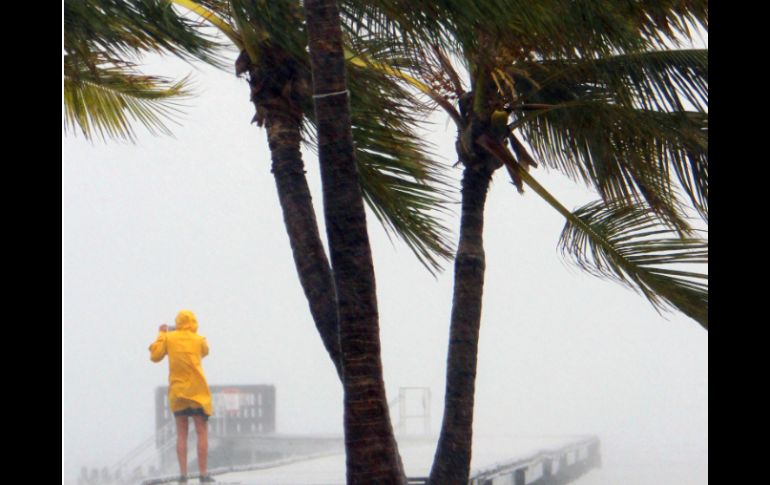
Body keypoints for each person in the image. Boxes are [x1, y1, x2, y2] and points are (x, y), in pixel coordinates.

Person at [150, 310, 215, 483]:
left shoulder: (169, 338)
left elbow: (155, 356)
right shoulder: (199, 340)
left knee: (181, 434)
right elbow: (205, 351)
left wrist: (163, 334)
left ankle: (183, 476)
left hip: (178, 392)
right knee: (201, 432)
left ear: (177, 323)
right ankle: (203, 474)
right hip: (198, 392)